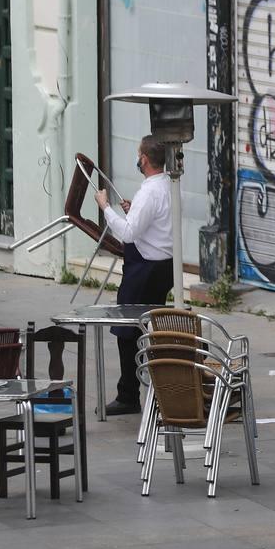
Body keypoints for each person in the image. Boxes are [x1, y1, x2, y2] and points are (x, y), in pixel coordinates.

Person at [95, 135, 173, 416]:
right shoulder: (168, 185)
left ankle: (128, 393)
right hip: (162, 267)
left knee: (127, 330)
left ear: (145, 159)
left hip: (145, 268)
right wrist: (131, 211)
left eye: (139, 154)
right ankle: (140, 387)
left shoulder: (150, 191)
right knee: (147, 328)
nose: (137, 158)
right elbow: (148, 222)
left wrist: (106, 207)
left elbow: (128, 233)